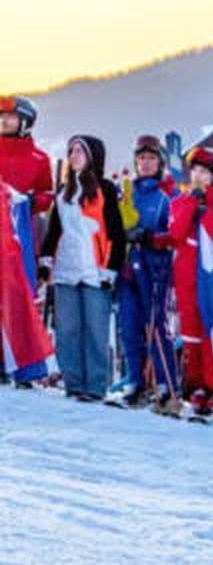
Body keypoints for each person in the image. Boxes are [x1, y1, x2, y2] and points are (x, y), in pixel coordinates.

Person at [39, 135, 125, 400]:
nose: (74, 155)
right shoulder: (64, 190)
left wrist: (111, 268)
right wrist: (46, 260)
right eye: (71, 151)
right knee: (67, 329)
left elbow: (116, 232)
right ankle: (73, 382)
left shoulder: (105, 189)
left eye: (80, 151)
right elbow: (54, 229)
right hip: (66, 267)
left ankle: (96, 385)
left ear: (93, 156)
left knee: (96, 330)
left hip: (95, 269)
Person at [169, 146, 213, 417]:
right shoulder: (180, 201)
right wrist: (192, 204)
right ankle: (196, 384)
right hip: (187, 279)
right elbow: (175, 233)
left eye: (204, 172)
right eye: (194, 171)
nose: (198, 176)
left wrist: (206, 212)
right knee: (191, 334)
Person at [108, 135, 178, 407]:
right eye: (141, 159)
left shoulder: (167, 194)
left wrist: (150, 237)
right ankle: (134, 377)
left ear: (160, 161)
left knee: (155, 324)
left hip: (155, 268)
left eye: (150, 159)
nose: (145, 164)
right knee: (128, 324)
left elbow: (175, 233)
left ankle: (164, 380)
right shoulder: (128, 190)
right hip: (129, 268)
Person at [0, 96, 54, 385]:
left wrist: (31, 201)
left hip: (22, 236)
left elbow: (48, 194)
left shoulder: (39, 159)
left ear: (25, 122)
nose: (4, 122)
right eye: (2, 118)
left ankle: (23, 363)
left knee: (21, 297)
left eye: (10, 118)